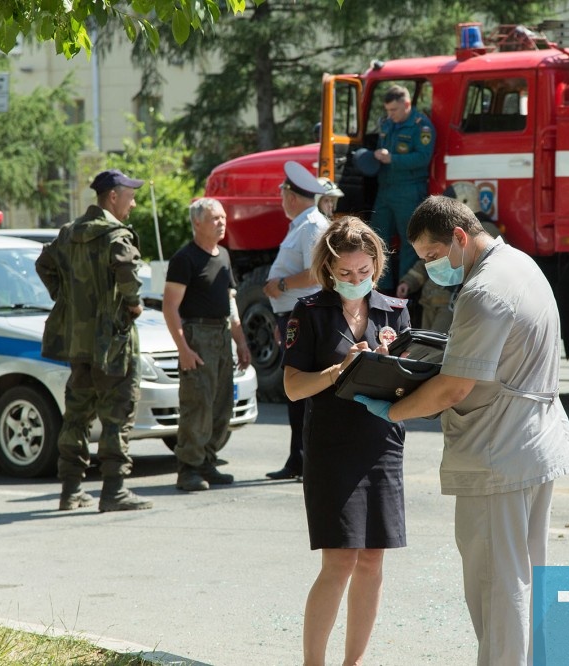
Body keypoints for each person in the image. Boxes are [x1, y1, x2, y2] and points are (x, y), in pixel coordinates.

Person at [354, 195, 569, 666]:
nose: (432, 268)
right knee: (525, 578)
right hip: (534, 443)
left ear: (459, 237)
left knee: (497, 589)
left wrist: (392, 411)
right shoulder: (520, 264)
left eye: (433, 258)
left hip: (497, 453)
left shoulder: (483, 291)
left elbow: (453, 389)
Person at [281, 215, 410, 666]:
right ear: (329, 271)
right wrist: (340, 371)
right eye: (346, 274)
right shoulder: (310, 312)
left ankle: (353, 663)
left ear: (377, 263)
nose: (357, 281)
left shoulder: (395, 311)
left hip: (381, 442)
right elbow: (293, 387)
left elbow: (409, 382)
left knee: (373, 561)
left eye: (364, 271)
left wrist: (392, 367)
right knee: (339, 562)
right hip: (332, 448)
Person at [36, 168, 153, 513]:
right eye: (129, 196)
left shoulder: (69, 233)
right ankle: (113, 491)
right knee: (118, 414)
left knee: (76, 415)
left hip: (79, 343)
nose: (132, 204)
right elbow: (127, 271)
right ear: (113, 197)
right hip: (113, 342)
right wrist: (132, 302)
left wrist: (66, 298)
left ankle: (70, 491)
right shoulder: (116, 235)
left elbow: (44, 264)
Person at [162, 198, 251, 491]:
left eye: (223, 217)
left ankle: (206, 462)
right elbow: (170, 307)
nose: (222, 222)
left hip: (221, 335)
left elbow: (231, 302)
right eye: (215, 218)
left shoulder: (224, 255)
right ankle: (188, 468)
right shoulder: (184, 259)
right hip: (196, 336)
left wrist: (241, 342)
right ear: (197, 223)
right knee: (197, 405)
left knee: (221, 405)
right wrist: (183, 349)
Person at [262, 161, 333, 481]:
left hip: (301, 314)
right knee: (295, 389)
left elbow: (317, 273)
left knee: (302, 389)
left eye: (282, 194)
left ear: (290, 195)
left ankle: (307, 459)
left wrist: (281, 285)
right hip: (291, 315)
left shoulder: (312, 225)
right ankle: (298, 458)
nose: (281, 199)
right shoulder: (302, 224)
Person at [396, 183, 497, 333]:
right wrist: (409, 282)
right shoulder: (444, 233)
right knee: (424, 346)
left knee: (435, 350)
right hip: (429, 300)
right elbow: (426, 259)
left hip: (450, 303)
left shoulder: (485, 233)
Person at [365, 84, 435, 291]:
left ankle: (405, 290)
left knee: (410, 242)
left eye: (393, 110)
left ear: (406, 104)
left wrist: (392, 159)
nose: (390, 114)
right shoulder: (388, 124)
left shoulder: (421, 127)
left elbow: (423, 158)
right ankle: (382, 289)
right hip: (386, 189)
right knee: (378, 238)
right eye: (387, 110)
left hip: (409, 190)